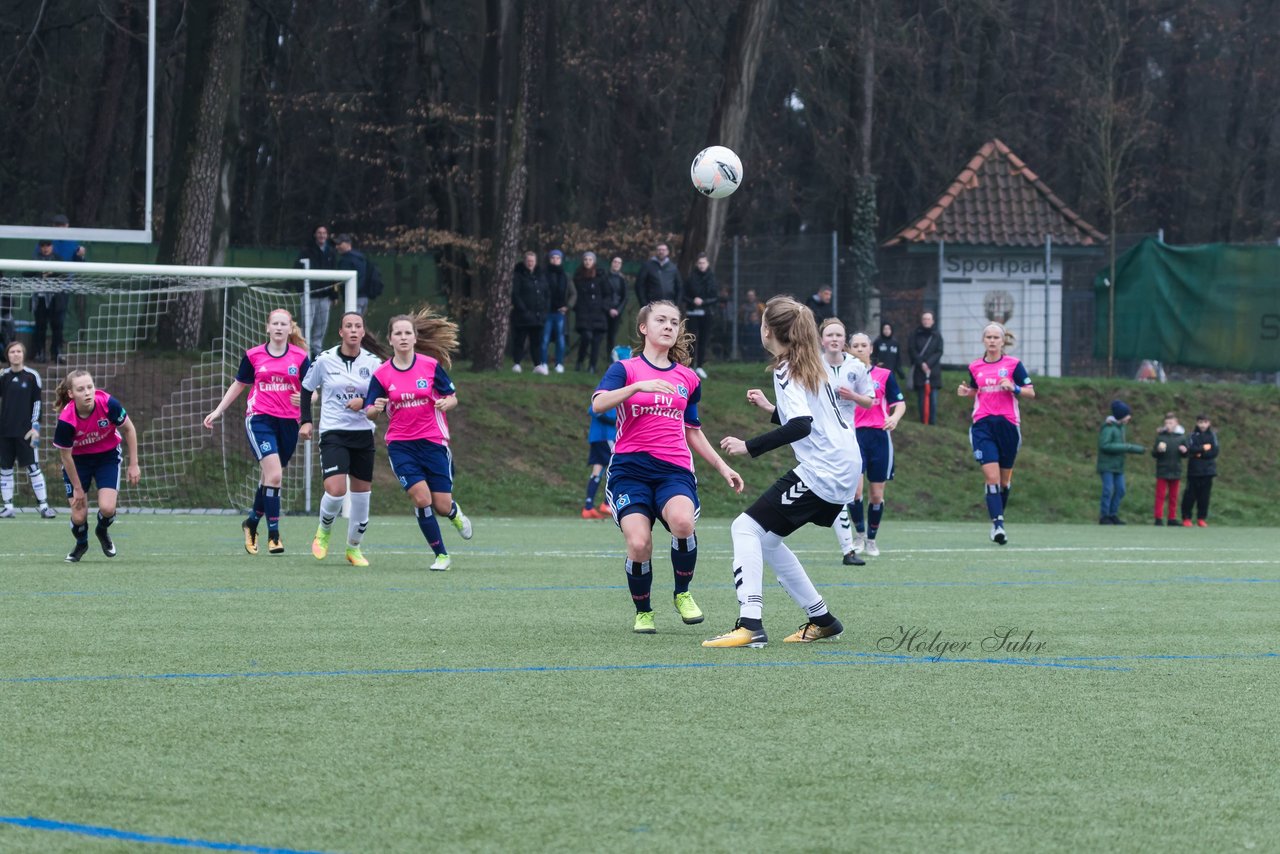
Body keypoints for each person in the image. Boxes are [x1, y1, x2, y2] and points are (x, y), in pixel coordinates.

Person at [704, 296, 855, 648]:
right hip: (843, 464)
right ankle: (822, 619)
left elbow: (802, 425)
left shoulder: (788, 369)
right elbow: (810, 419)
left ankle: (750, 624)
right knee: (768, 540)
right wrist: (772, 409)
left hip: (825, 469)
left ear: (767, 330)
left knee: (745, 527)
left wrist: (749, 446)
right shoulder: (809, 361)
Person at [592, 300, 743, 634]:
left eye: (674, 322)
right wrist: (636, 387)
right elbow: (598, 404)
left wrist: (722, 468)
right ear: (644, 328)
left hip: (674, 469)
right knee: (639, 544)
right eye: (661, 320)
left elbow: (693, 431)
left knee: (683, 523)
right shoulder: (625, 369)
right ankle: (644, 611)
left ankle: (682, 593)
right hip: (629, 471)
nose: (669, 326)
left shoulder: (687, 378)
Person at [363, 308, 473, 571]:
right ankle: (441, 555)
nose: (402, 337)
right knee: (422, 499)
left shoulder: (430, 366)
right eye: (397, 333)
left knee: (442, 505)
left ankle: (454, 513)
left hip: (433, 441)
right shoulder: (382, 374)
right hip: (401, 445)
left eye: (407, 333)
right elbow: (369, 410)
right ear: (390, 339)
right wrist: (376, 408)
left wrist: (449, 402)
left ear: (414, 338)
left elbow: (452, 396)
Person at [204, 308, 310, 555]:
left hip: (289, 423)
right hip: (259, 419)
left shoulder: (300, 357)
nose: (279, 328)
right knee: (274, 476)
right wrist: (218, 410)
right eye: (275, 323)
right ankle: (274, 536)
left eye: (284, 324)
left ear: (289, 328)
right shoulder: (253, 356)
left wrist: (307, 401)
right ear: (267, 327)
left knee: (269, 478)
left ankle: (251, 522)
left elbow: (312, 389)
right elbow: (239, 384)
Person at [299, 312, 385, 566]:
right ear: (341, 332)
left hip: (363, 434)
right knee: (336, 491)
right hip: (334, 432)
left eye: (358, 326)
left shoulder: (373, 363)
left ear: (363, 332)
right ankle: (323, 531)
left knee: (361, 496)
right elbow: (306, 388)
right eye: (348, 326)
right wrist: (305, 421)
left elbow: (384, 395)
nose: (354, 330)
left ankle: (353, 548)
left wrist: (365, 403)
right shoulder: (325, 360)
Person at [957, 323, 1035, 544]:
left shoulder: (1014, 365)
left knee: (1003, 481)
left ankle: (998, 518)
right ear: (983, 340)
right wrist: (967, 391)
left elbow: (1031, 392)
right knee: (991, 477)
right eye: (988, 337)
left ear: (1003, 341)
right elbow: (976, 388)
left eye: (995, 337)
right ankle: (998, 526)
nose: (992, 341)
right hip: (983, 426)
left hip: (1008, 426)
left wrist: (1015, 388)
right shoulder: (975, 366)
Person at [51, 369, 140, 562]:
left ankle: (102, 531)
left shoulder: (108, 404)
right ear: (71, 394)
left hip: (106, 457)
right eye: (81, 389)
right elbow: (66, 457)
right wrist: (78, 489)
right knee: (79, 515)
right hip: (78, 462)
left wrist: (134, 464)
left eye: (90, 387)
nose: (87, 392)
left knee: (107, 508)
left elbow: (129, 430)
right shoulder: (66, 420)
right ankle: (81, 543)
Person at [815, 319, 874, 565]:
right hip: (818, 436)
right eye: (830, 335)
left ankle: (849, 548)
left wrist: (853, 396)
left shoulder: (856, 367)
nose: (835, 339)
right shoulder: (813, 364)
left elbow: (870, 401)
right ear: (822, 340)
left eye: (839, 335)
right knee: (829, 491)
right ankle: (848, 550)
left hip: (847, 437)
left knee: (849, 492)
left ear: (844, 340)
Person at [847, 331, 906, 557]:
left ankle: (872, 539)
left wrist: (894, 417)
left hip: (880, 438)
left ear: (871, 349)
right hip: (854, 437)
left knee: (876, 495)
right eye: (856, 345)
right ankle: (859, 535)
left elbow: (899, 403)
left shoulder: (884, 375)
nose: (860, 349)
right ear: (850, 349)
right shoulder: (845, 374)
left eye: (864, 345)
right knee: (854, 492)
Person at [0, 341, 56, 518]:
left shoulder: (33, 376)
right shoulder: (3, 376)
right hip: (4, 432)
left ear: (23, 355)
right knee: (5, 469)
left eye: (19, 351)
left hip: (29, 432)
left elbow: (37, 403)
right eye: (12, 352)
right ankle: (8, 506)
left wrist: (36, 428)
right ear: (7, 355)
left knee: (34, 467)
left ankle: (44, 506)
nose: (15, 354)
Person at [1096, 399, 1145, 525]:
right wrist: (1126, 447)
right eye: (1127, 414)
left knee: (1120, 490)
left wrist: (1139, 449)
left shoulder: (1121, 427)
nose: (1129, 417)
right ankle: (1104, 516)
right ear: (1120, 415)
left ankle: (1113, 514)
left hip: (1118, 465)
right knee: (1108, 490)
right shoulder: (1109, 427)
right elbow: (1104, 445)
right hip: (1107, 465)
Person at [29, 238, 76, 364]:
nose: (45, 248)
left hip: (56, 299)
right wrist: (39, 272)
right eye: (43, 245)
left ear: (52, 246)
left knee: (57, 327)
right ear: (39, 247)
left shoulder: (58, 258)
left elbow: (64, 274)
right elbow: (26, 272)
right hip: (40, 299)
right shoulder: (34, 259)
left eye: (48, 245)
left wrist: (52, 273)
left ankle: (57, 353)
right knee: (40, 327)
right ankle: (40, 353)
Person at [297, 225, 337, 358]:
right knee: (306, 325)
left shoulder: (331, 252)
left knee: (321, 327)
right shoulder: (306, 251)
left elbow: (334, 275)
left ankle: (316, 353)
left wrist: (334, 294)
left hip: (324, 296)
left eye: (324, 233)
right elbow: (297, 269)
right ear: (315, 235)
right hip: (309, 296)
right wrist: (300, 290)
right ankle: (303, 352)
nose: (322, 235)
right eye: (319, 233)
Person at [511, 250, 549, 374]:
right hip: (523, 315)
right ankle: (517, 363)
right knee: (520, 340)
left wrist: (544, 310)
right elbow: (515, 295)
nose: (530, 263)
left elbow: (546, 294)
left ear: (535, 262)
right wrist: (523, 310)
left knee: (536, 341)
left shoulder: (541, 275)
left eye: (532, 261)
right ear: (524, 261)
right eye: (528, 261)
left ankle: (537, 365)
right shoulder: (518, 275)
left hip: (538, 316)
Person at [1179, 414, 1219, 527]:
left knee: (1204, 496)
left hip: (1208, 471)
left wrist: (1198, 453)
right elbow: (1190, 450)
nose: (1202, 425)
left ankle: (1201, 518)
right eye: (1200, 422)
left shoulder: (1212, 436)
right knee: (1190, 495)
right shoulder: (1192, 435)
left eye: (1205, 422)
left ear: (1209, 423)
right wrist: (1203, 449)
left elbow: (1214, 452)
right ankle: (1186, 518)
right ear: (1197, 423)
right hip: (1194, 470)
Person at [683, 252, 718, 378]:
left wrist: (704, 302)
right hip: (693, 312)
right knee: (692, 339)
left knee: (704, 339)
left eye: (704, 263)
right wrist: (693, 301)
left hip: (707, 313)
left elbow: (715, 297)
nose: (702, 265)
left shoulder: (712, 278)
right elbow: (684, 295)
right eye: (700, 263)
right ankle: (690, 365)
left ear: (707, 263)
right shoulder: (691, 278)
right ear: (697, 264)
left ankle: (700, 366)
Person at [573, 251, 609, 374]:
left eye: (590, 259)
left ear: (594, 261)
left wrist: (603, 307)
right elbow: (574, 294)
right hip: (583, 313)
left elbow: (607, 294)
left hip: (599, 314)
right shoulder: (578, 276)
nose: (588, 262)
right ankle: (580, 361)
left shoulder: (601, 276)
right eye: (585, 259)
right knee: (586, 337)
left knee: (596, 341)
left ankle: (592, 366)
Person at [539, 249, 574, 374]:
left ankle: (559, 363)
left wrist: (567, 306)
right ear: (549, 259)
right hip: (547, 312)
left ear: (560, 260)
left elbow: (573, 294)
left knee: (560, 339)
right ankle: (543, 363)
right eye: (553, 258)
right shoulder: (543, 274)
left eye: (557, 258)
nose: (555, 260)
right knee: (544, 339)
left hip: (560, 313)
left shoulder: (566, 276)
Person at [581, 403, 616, 519]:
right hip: (606, 437)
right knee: (617, 466)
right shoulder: (611, 394)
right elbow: (594, 410)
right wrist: (614, 421)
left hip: (597, 438)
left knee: (598, 470)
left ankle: (588, 507)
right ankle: (606, 504)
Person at [908, 311, 943, 424]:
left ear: (932, 321)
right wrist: (921, 363)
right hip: (920, 371)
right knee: (921, 399)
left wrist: (928, 364)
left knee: (933, 400)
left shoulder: (937, 335)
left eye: (929, 319)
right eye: (924, 319)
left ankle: (932, 422)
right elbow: (912, 350)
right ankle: (923, 421)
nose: (926, 321)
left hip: (933, 372)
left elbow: (939, 351)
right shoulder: (915, 334)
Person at [1151, 411, 1185, 526]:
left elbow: (1186, 454)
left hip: (1175, 470)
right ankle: (1158, 518)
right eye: (1166, 423)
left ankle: (1172, 518)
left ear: (1176, 423)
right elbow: (1154, 453)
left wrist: (1184, 451)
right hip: (1162, 470)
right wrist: (1159, 451)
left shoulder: (1181, 438)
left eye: (1171, 423)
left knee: (1173, 497)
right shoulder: (1161, 437)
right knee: (1160, 495)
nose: (1168, 425)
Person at [335, 234, 381, 317]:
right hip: (364, 298)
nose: (337, 246)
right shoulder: (361, 257)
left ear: (348, 244)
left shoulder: (346, 260)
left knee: (351, 325)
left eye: (339, 244)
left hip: (353, 300)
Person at [604, 256, 628, 355]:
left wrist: (618, 310)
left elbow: (625, 297)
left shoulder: (623, 280)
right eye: (615, 261)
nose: (616, 264)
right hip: (604, 310)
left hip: (617, 312)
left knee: (612, 336)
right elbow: (602, 295)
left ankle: (610, 360)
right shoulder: (604, 277)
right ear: (611, 263)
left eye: (619, 262)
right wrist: (608, 309)